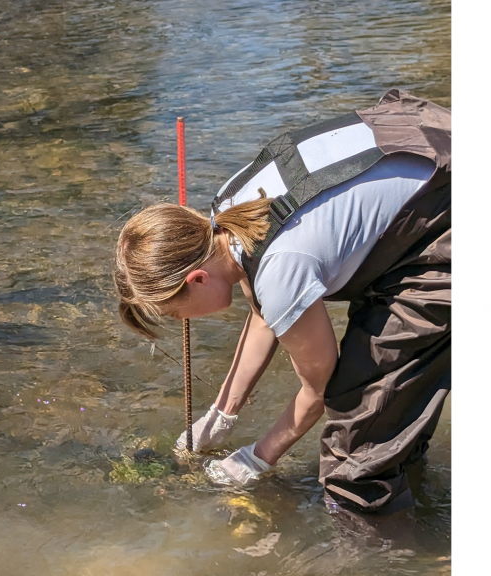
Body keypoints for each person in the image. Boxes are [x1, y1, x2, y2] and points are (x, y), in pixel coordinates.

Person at [113, 89, 451, 515]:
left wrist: (259, 456)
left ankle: (378, 551)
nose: (182, 320)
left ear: (196, 279)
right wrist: (223, 414)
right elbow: (264, 313)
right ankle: (412, 475)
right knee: (388, 408)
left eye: (174, 312)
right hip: (426, 139)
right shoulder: (228, 208)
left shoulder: (280, 270)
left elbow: (317, 390)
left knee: (354, 433)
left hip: (447, 214)